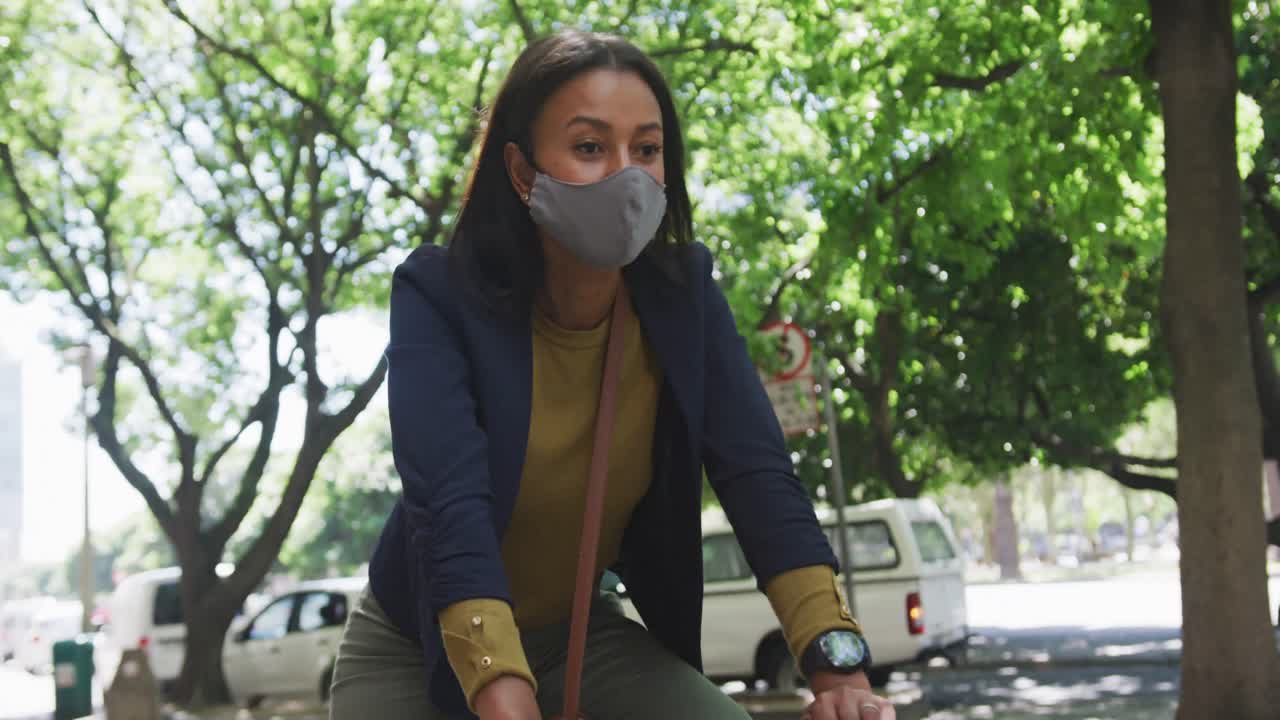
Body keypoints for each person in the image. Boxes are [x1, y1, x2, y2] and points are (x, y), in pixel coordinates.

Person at [330, 29, 896, 720]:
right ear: (522, 170)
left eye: (647, 150)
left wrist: (838, 668)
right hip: (419, 646)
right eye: (590, 147)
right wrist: (502, 690)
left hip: (576, 638)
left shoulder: (685, 298)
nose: (626, 175)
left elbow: (759, 476)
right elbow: (451, 509)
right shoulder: (438, 296)